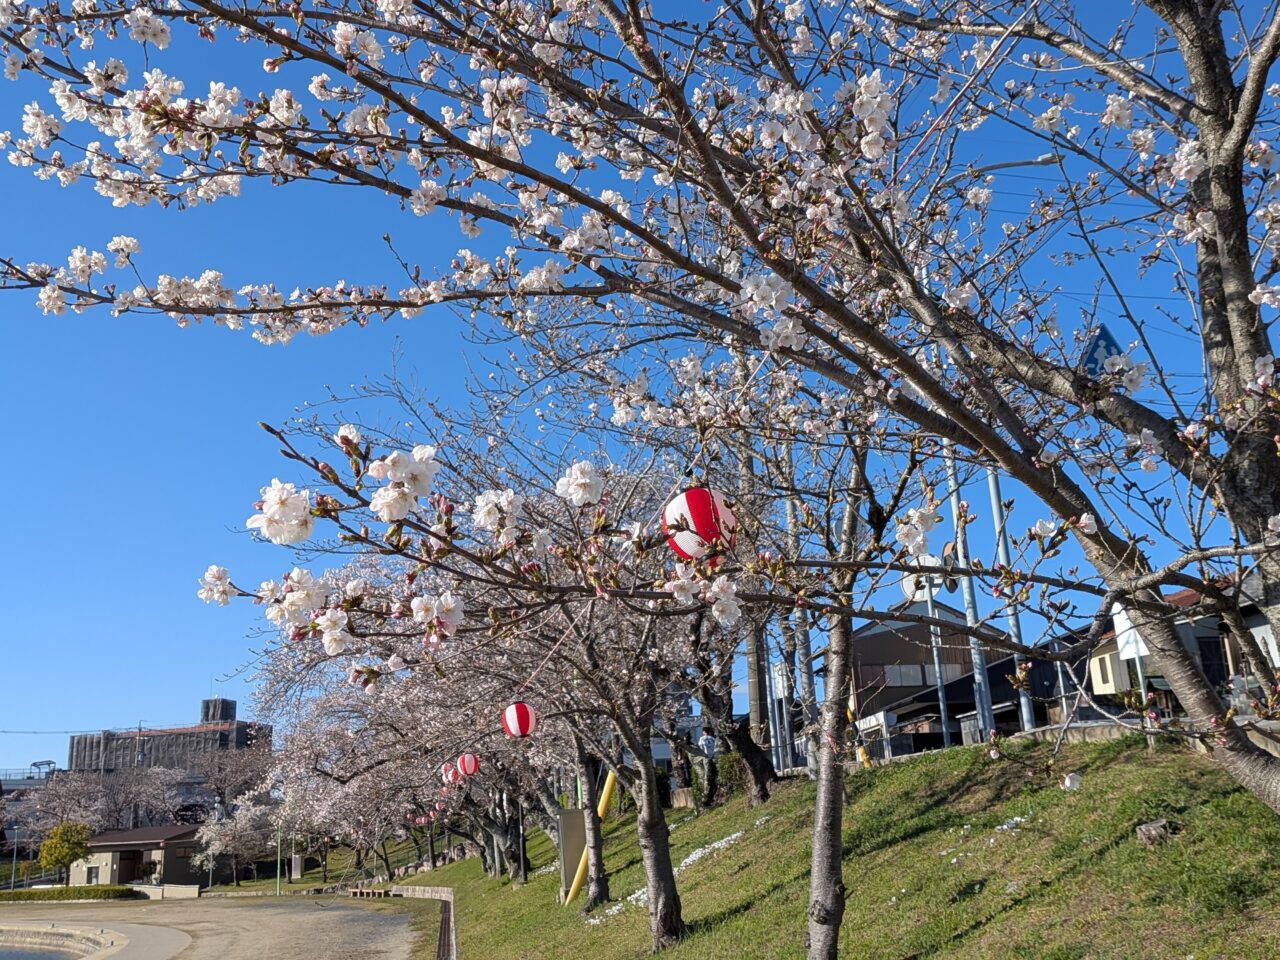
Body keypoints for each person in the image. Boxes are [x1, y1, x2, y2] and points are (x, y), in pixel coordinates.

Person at [696, 726, 719, 808]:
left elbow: (700, 747)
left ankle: (706, 799)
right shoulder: (713, 739)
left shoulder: (702, 738)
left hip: (706, 757)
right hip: (714, 757)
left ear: (703, 732)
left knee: (707, 775)